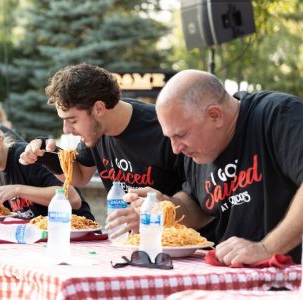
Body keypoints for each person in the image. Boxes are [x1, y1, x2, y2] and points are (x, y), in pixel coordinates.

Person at [126, 69, 303, 264]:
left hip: (291, 276)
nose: (175, 149)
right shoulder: (197, 151)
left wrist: (266, 248)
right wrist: (166, 207)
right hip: (230, 273)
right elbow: (198, 206)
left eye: (181, 135)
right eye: (170, 138)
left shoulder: (279, 114)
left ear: (215, 115)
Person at [19, 63, 185, 237]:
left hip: (179, 242)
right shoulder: (96, 131)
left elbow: (195, 200)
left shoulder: (162, 128)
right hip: (128, 239)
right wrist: (47, 155)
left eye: (73, 120)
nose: (66, 129)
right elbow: (80, 175)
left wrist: (158, 212)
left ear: (99, 108)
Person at [0, 105, 95, 220]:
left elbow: (73, 198)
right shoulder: (0, 167)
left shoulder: (27, 156)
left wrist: (17, 189)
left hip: (79, 233)